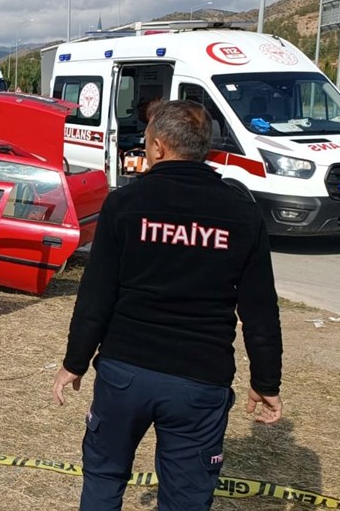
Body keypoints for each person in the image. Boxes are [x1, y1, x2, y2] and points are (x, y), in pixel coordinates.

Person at [52, 99, 283, 511]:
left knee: (104, 477)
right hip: (199, 380)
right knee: (187, 498)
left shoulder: (125, 204)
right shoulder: (242, 213)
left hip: (126, 373)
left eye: (145, 143)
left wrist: (75, 361)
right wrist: (266, 382)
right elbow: (260, 309)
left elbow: (97, 293)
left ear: (158, 148)